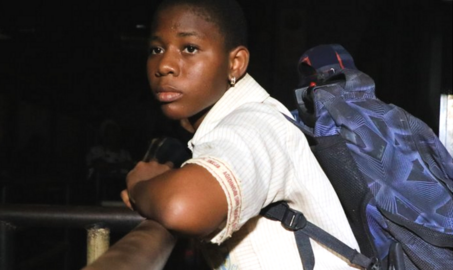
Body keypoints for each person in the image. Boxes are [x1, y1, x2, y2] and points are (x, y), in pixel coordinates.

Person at [121, 0, 360, 269]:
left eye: (189, 48)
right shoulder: (238, 121)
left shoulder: (253, 124)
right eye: (156, 49)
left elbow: (182, 206)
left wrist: (141, 184)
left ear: (235, 63)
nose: (164, 64)